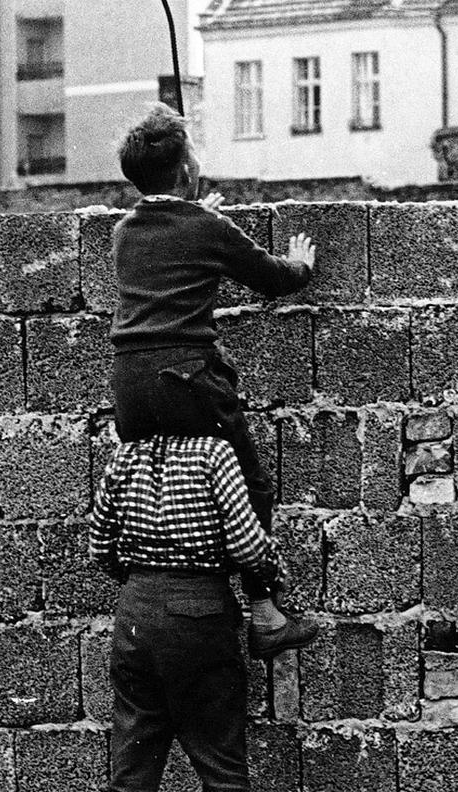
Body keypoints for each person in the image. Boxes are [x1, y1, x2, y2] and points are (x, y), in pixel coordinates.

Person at [110, 102, 318, 657]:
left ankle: (157, 600)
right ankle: (266, 612)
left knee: (155, 483)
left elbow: (168, 239)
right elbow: (274, 280)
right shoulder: (206, 226)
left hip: (129, 385)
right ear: (185, 171)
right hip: (187, 377)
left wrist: (192, 211)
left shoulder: (126, 232)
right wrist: (300, 264)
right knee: (249, 486)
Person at [91, 433, 301, 792]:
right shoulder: (212, 452)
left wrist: (141, 580)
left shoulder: (125, 454)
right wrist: (274, 573)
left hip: (135, 612)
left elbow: (99, 546)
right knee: (222, 771)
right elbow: (247, 547)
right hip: (200, 608)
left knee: (131, 775)